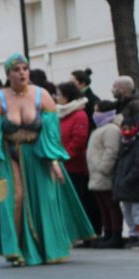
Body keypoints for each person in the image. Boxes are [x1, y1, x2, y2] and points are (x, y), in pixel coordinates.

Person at [0, 54, 95, 265]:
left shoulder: (42, 95)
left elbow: (51, 133)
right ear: (8, 74)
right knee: (14, 198)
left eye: (25, 68)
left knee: (46, 198)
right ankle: (18, 249)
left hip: (38, 152)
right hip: (10, 155)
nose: (22, 72)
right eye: (17, 70)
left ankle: (49, 249)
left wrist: (54, 161)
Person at [55, 81, 96, 243]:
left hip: (74, 165)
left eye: (59, 95)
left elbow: (78, 141)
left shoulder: (79, 114)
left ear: (67, 97)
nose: (57, 98)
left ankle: (84, 234)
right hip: (62, 164)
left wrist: (63, 157)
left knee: (79, 200)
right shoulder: (61, 114)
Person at [87, 111, 124, 248]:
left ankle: (115, 235)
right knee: (103, 206)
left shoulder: (111, 129)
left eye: (97, 110)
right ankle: (107, 233)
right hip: (96, 174)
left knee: (111, 206)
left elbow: (111, 151)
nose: (94, 113)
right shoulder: (100, 128)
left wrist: (103, 168)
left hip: (104, 174)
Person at [113, 122, 139, 248]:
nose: (127, 131)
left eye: (129, 128)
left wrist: (129, 179)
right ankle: (133, 234)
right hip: (125, 187)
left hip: (136, 187)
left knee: (138, 213)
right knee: (128, 213)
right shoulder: (124, 146)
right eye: (124, 128)